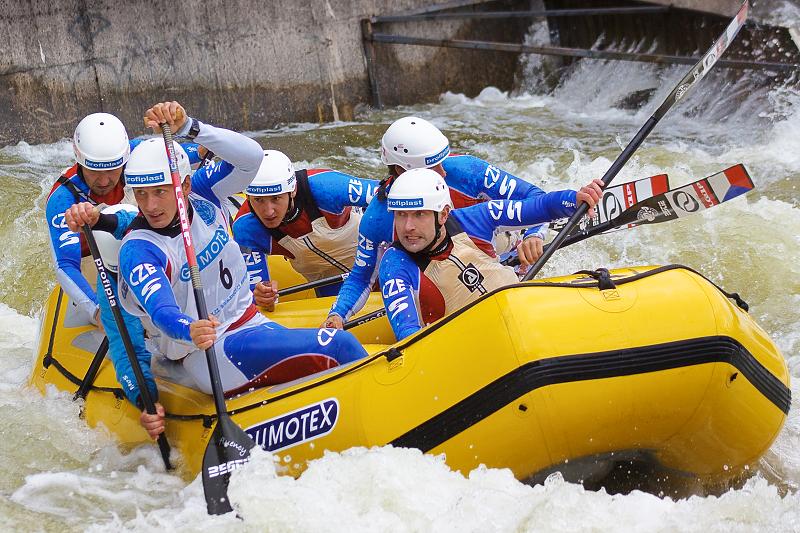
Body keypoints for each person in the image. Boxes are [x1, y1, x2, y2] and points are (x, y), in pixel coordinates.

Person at [67, 102, 367, 439]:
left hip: (251, 323)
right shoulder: (140, 250)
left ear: (184, 187)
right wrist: (188, 329)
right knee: (341, 346)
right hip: (212, 351)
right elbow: (161, 309)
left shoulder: (207, 198)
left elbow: (251, 157)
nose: (151, 206)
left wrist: (189, 127)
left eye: (161, 192)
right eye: (143, 195)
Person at [323, 116, 551, 329]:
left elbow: (535, 198)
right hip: (438, 278)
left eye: (442, 162)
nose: (443, 172)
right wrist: (337, 314)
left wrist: (533, 235)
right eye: (434, 166)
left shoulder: (467, 170)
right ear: (403, 170)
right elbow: (362, 276)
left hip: (495, 252)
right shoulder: (377, 218)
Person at [379, 169, 603, 340]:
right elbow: (409, 337)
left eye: (419, 214)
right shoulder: (395, 264)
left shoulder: (476, 218)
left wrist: (574, 199)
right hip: (482, 347)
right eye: (401, 215)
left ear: (444, 215)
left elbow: (540, 207)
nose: (408, 226)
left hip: (528, 312)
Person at [46, 112, 202, 327]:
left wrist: (197, 137)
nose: (103, 180)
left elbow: (193, 154)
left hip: (139, 242)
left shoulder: (138, 151)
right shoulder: (62, 198)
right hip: (95, 261)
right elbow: (65, 264)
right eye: (94, 170)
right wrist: (97, 311)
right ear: (79, 160)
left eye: (112, 169)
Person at [232, 150, 379, 310]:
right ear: (248, 197)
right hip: (329, 283)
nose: (268, 211)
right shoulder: (246, 227)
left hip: (379, 260)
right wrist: (264, 298)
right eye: (258, 200)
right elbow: (258, 302)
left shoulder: (326, 186)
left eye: (276, 198)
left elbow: (390, 193)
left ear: (292, 190)